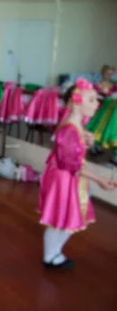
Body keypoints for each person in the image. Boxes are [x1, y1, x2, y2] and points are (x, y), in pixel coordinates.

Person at [38, 78, 115, 269]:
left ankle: (54, 254)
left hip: (69, 178)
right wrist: (99, 180)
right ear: (77, 102)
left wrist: (86, 142)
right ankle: (50, 257)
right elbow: (72, 165)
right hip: (64, 179)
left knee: (67, 219)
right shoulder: (70, 130)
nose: (97, 104)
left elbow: (77, 158)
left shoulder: (76, 126)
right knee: (60, 220)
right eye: (91, 100)